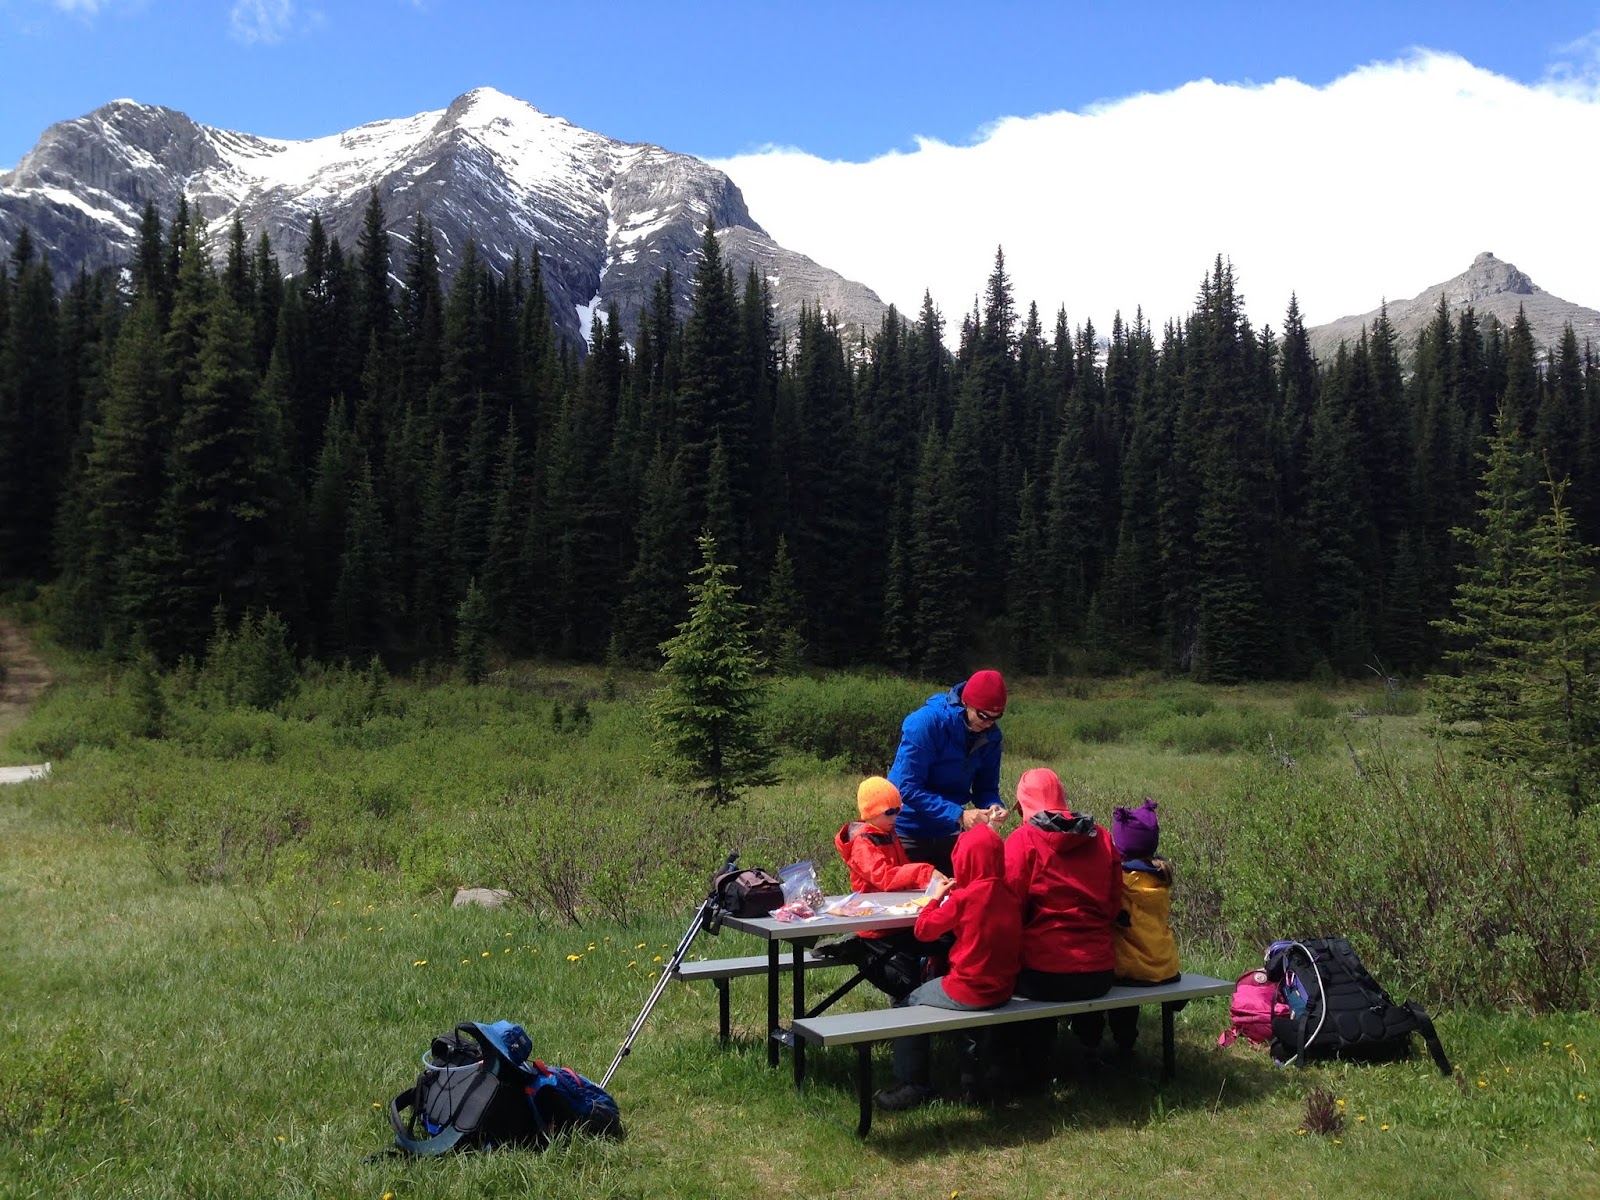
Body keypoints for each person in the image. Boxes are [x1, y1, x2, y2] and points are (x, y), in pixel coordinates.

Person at [874, 822, 1022, 1111]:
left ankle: (913, 1084)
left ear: (964, 860)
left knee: (910, 1003)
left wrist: (935, 899)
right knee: (953, 993)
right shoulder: (1010, 894)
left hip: (969, 989)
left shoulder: (964, 899)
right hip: (1003, 988)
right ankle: (972, 1076)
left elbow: (923, 930)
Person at [997, 767, 1122, 1089]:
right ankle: (1090, 1048)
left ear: (1024, 802)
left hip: (1043, 974)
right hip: (1099, 973)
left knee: (1022, 973)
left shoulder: (1022, 840)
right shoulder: (1102, 837)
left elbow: (1011, 910)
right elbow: (1112, 904)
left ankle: (1034, 1064)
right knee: (1067, 971)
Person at [820, 777, 942, 998]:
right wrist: (924, 872)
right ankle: (859, 953)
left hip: (896, 919)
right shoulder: (862, 843)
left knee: (943, 941)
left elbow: (904, 868)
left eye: (898, 810)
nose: (896, 816)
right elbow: (884, 877)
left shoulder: (888, 833)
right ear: (871, 812)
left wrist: (933, 885)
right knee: (906, 988)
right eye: (890, 812)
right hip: (874, 923)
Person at [887, 668, 1010, 876]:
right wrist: (959, 814)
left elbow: (985, 787)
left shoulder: (991, 735)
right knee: (908, 906)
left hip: (948, 832)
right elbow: (907, 789)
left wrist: (994, 806)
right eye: (983, 716)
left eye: (996, 717)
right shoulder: (925, 724)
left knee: (953, 900)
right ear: (967, 702)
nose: (989, 723)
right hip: (906, 831)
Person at [1108, 797, 1181, 1056]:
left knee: (1119, 987)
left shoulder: (1121, 882)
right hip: (1166, 965)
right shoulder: (1161, 878)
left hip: (1132, 970)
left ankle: (1123, 1046)